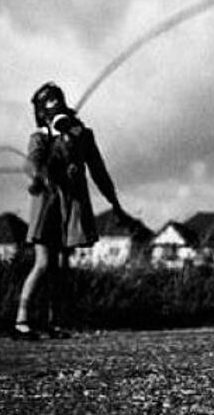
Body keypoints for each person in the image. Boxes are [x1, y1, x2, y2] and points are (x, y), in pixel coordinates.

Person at [13, 82, 126, 340]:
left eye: (58, 101)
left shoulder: (82, 135)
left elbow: (99, 171)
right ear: (42, 113)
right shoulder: (40, 137)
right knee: (43, 263)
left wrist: (115, 203)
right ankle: (21, 321)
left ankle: (54, 322)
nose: (55, 106)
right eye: (49, 104)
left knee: (60, 266)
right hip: (47, 206)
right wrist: (42, 176)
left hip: (70, 209)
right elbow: (33, 164)